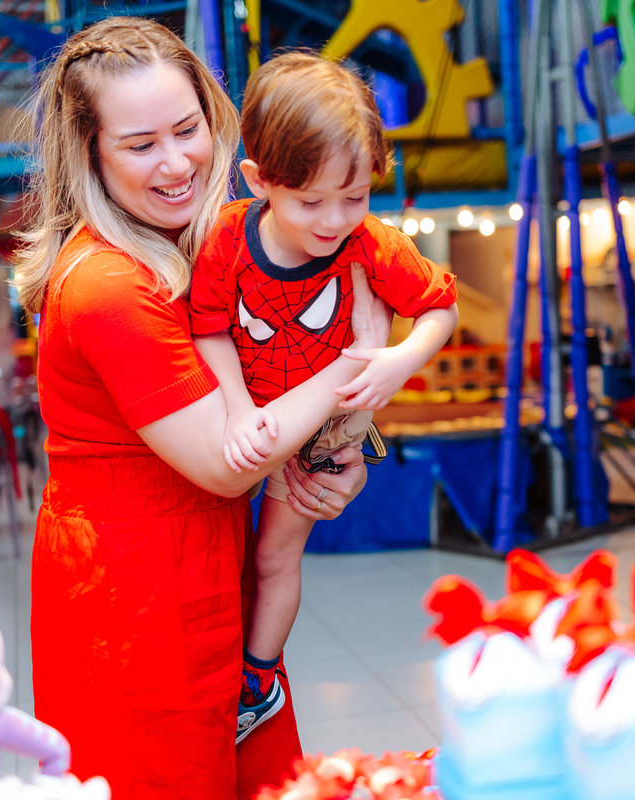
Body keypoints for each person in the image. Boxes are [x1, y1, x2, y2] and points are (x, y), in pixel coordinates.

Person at [11, 17, 392, 800]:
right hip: (134, 601)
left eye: (187, 129)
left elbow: (272, 392)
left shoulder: (205, 244)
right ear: (90, 153)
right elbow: (226, 462)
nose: (177, 161)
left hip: (210, 572)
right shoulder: (109, 286)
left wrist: (339, 450)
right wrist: (364, 360)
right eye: (140, 143)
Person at [189, 53, 459, 743]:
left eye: (357, 196)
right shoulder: (228, 241)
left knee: (276, 557)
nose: (335, 219)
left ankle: (258, 677)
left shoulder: (370, 245)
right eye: (311, 200)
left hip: (329, 435)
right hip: (253, 420)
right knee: (224, 560)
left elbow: (440, 309)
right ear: (259, 181)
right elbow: (209, 328)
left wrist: (399, 361)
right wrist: (240, 410)